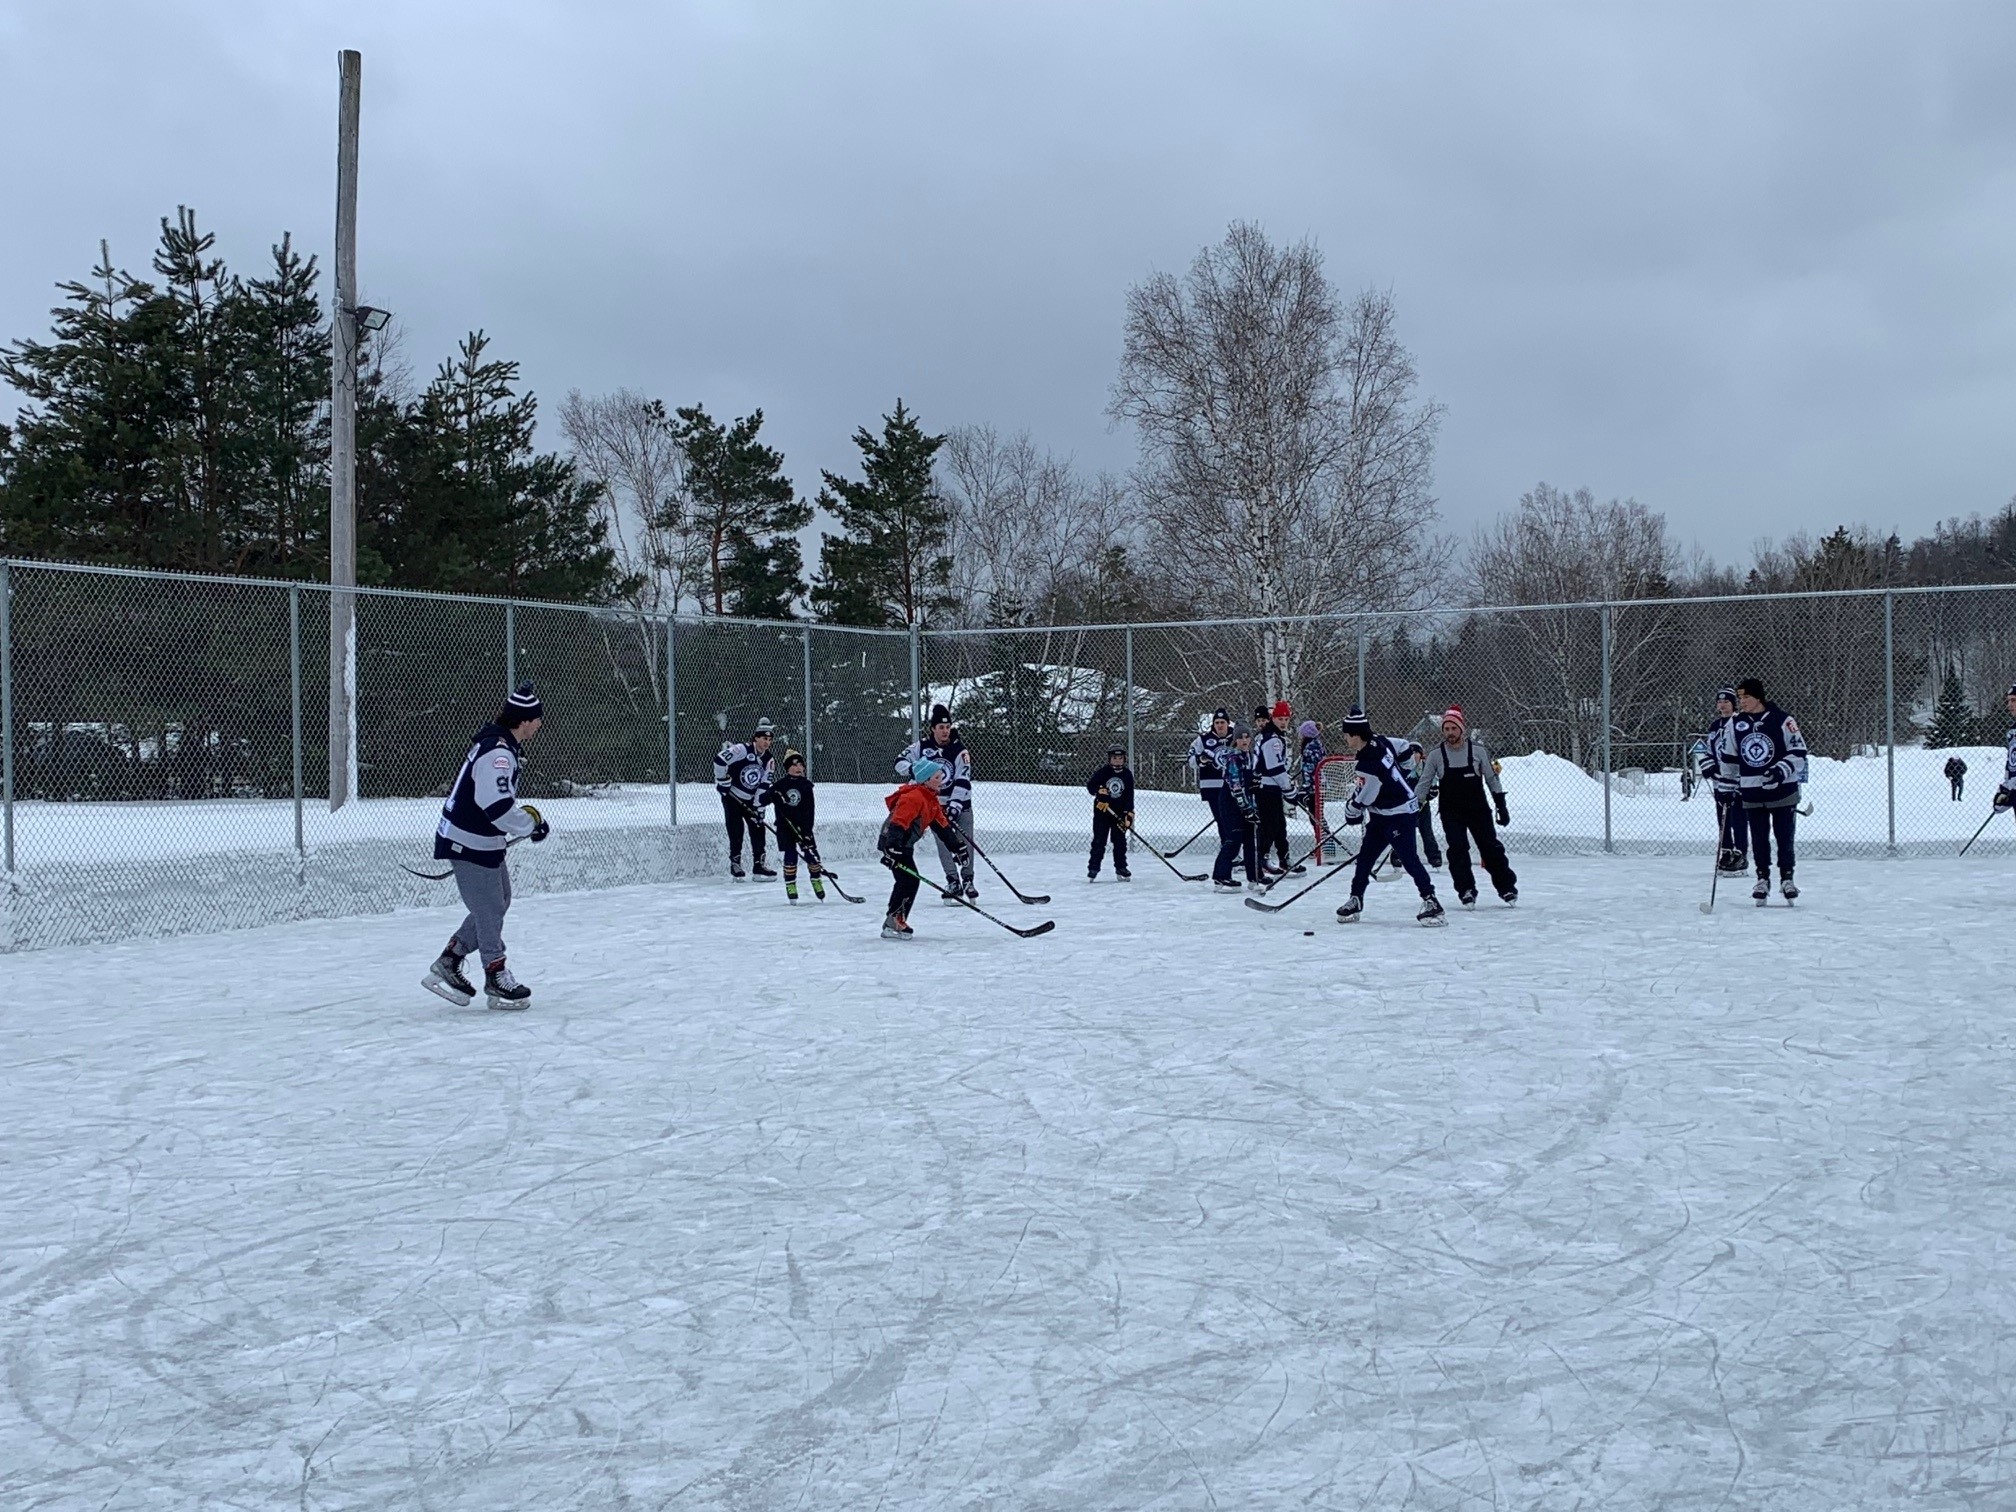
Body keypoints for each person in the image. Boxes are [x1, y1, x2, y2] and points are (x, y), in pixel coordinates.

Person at [422, 682, 551, 1009]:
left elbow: (498, 803)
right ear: (523, 720)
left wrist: (528, 821)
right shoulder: (498, 753)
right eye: (536, 719)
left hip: (481, 839)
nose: (539, 724)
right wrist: (529, 824)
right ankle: (495, 974)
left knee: (499, 901)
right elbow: (494, 805)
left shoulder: (501, 747)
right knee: (490, 908)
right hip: (468, 841)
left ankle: (450, 960)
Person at [1332, 706, 1445, 926]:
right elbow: (1404, 746)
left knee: (1409, 858)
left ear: (1357, 735)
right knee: (1365, 857)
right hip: (1382, 814)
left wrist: (1351, 812)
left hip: (1400, 813)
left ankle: (1431, 901)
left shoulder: (1369, 763)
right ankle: (1356, 898)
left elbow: (1367, 795)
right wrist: (1405, 771)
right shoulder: (1378, 740)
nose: (1345, 738)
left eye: (1347, 734)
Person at [1715, 676, 1809, 903]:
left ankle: (1787, 878)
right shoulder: (1735, 724)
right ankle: (1762, 878)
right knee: (1759, 838)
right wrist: (1725, 788)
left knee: (1784, 836)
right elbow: (1729, 758)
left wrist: (1779, 771)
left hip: (1782, 791)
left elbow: (1799, 752)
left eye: (1746, 697)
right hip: (1751, 791)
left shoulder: (1782, 720)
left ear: (1759, 697)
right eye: (1739, 697)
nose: (1742, 701)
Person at [1417, 706, 1515, 906]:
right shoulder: (1436, 755)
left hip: (1478, 809)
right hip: (1451, 811)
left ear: (1462, 729)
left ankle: (1506, 888)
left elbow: (1491, 779)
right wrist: (1415, 805)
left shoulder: (1478, 751)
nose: (1450, 733)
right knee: (1458, 849)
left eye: (1454, 728)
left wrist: (1501, 805)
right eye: (1446, 729)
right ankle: (1466, 889)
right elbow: (1424, 782)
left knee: (1490, 848)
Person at [876, 759, 968, 939]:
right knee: (908, 880)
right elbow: (897, 823)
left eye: (941, 776)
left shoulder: (931, 800)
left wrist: (959, 848)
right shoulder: (914, 797)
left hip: (905, 845)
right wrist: (892, 848)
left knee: (909, 880)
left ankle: (894, 920)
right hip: (894, 843)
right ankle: (894, 920)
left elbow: (943, 828)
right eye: (936, 777)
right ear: (926, 780)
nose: (941, 780)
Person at [897, 705, 976, 901]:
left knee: (965, 842)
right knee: (943, 842)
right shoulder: (921, 747)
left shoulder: (959, 750)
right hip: (935, 805)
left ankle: (968, 879)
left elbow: (963, 779)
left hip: (961, 804)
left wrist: (955, 804)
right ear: (933, 728)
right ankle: (952, 880)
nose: (945, 731)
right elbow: (899, 762)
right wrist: (917, 770)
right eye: (941, 727)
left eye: (947, 727)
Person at [714, 718, 777, 880]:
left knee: (758, 828)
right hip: (733, 797)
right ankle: (735, 863)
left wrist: (758, 807)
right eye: (764, 738)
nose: (767, 742)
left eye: (769, 740)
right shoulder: (741, 750)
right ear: (756, 737)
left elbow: (764, 785)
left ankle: (759, 865)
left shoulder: (769, 760)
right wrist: (723, 781)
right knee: (736, 830)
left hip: (750, 800)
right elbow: (720, 760)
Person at [762, 749, 827, 902]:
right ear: (787, 768)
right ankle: (791, 885)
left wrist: (806, 831)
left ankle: (816, 880)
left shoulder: (806, 786)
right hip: (785, 827)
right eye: (793, 765)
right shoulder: (780, 785)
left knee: (812, 855)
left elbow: (809, 811)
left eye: (800, 764)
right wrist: (773, 796)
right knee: (790, 855)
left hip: (803, 827)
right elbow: (763, 799)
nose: (797, 767)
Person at [1189, 709, 1240, 888]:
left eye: (1223, 723)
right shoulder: (1203, 740)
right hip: (1213, 787)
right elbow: (1191, 760)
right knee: (1222, 821)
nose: (1220, 726)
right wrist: (1201, 759)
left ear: (1228, 723)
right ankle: (1228, 852)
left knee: (1235, 821)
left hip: (1234, 786)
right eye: (1217, 723)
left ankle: (1233, 852)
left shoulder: (1236, 736)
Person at [1701, 688, 1749, 875]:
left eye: (1726, 702)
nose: (1722, 705)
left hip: (1736, 781)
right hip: (1718, 781)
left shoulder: (1740, 723)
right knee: (1723, 819)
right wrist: (1709, 766)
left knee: (1738, 818)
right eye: (1719, 702)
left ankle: (1741, 854)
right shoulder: (1715, 726)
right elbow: (1709, 750)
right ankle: (1726, 852)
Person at [1250, 704, 1299, 876]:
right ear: (1273, 719)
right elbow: (1275, 768)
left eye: (1286, 719)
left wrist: (1286, 787)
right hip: (1266, 787)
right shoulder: (1272, 739)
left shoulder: (1273, 736)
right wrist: (1289, 789)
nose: (1284, 722)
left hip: (1272, 787)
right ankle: (1262, 859)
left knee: (1279, 825)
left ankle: (1284, 858)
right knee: (1269, 825)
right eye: (1280, 719)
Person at [1217, 724, 1263, 892]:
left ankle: (1254, 876)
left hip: (1246, 803)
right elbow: (1236, 786)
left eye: (1246, 737)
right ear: (1235, 740)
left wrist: (1254, 804)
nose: (1244, 741)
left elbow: (1251, 783)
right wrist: (1246, 809)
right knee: (1234, 839)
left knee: (1251, 839)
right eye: (1240, 738)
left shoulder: (1249, 757)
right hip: (1231, 803)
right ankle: (1221, 876)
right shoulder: (1233, 758)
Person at [1086, 743, 1135, 881]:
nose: (1117, 761)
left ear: (1124, 759)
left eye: (1120, 758)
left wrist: (1128, 813)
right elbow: (1091, 786)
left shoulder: (1127, 775)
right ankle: (1093, 868)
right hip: (1102, 814)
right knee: (1099, 841)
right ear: (1109, 759)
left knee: (1120, 842)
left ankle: (1121, 867)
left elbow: (1129, 795)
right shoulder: (1103, 772)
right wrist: (1099, 791)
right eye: (1114, 758)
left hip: (1118, 814)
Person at [1997, 684, 2016, 818]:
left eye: (2014, 700)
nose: (2009, 705)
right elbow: (2011, 765)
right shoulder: (2012, 732)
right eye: (2008, 701)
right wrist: (2005, 789)